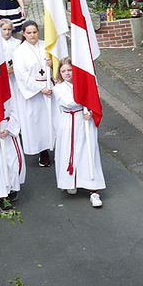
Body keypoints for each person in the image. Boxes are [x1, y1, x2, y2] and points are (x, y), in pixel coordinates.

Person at [53, 57, 105, 208]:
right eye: (63, 71)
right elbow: (67, 103)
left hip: (84, 122)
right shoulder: (58, 88)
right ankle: (71, 181)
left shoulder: (83, 84)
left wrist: (90, 109)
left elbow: (94, 100)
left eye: (69, 70)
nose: (67, 73)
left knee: (88, 152)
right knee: (69, 152)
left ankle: (93, 189)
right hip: (69, 122)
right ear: (59, 73)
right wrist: (85, 96)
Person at [12, 20, 54, 167]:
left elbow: (59, 64)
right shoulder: (19, 52)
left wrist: (53, 64)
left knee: (52, 119)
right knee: (37, 123)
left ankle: (55, 145)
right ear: (23, 33)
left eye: (34, 32)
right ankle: (43, 151)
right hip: (34, 92)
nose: (32, 35)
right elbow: (21, 75)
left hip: (49, 86)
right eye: (29, 33)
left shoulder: (46, 46)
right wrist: (39, 88)